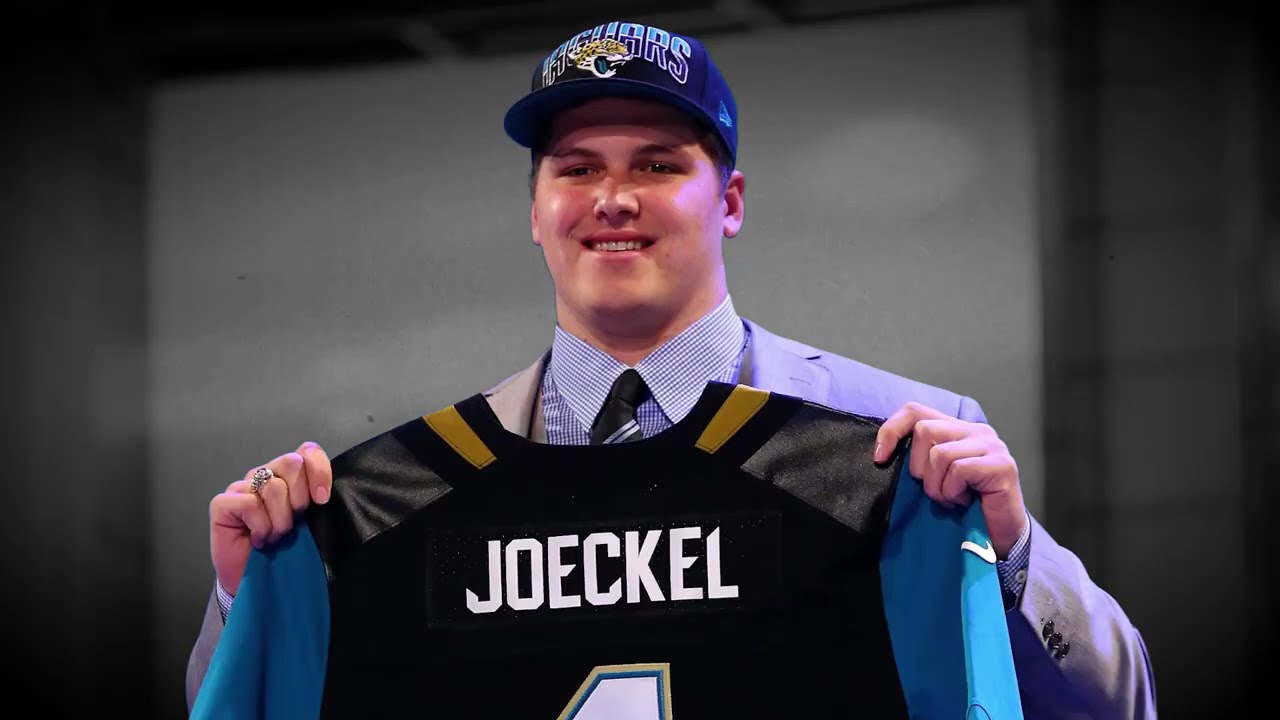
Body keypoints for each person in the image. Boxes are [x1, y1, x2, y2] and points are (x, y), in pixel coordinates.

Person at [187, 21, 1156, 719]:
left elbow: (1118, 703)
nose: (612, 198)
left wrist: (1011, 554)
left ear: (728, 201)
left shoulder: (906, 444)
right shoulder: (404, 494)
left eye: (656, 164)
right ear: (534, 213)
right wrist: (252, 593)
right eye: (575, 168)